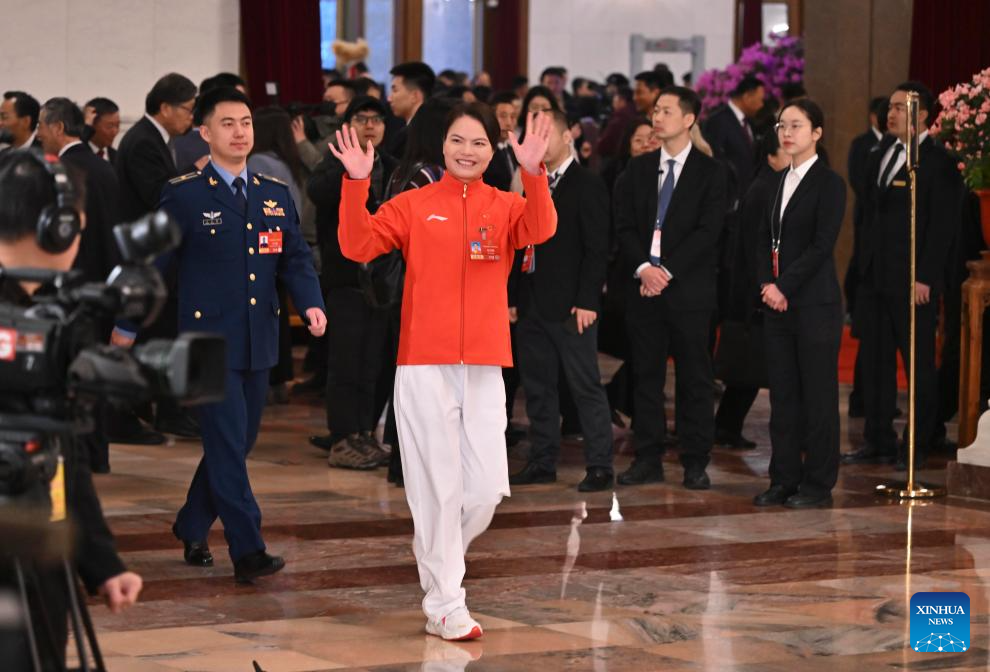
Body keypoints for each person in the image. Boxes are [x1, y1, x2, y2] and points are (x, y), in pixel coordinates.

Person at [331, 104, 556, 640]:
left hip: (485, 362)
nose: (467, 151)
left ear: (492, 149)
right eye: (458, 140)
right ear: (443, 145)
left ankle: (437, 553)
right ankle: (446, 604)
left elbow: (541, 228)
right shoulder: (414, 203)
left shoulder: (506, 206)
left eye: (478, 142)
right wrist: (356, 184)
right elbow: (357, 244)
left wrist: (533, 173)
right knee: (436, 486)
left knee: (484, 491)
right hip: (423, 362)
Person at [114, 87, 326, 582]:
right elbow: (154, 264)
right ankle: (248, 549)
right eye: (227, 124)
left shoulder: (274, 193)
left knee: (235, 444)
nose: (239, 132)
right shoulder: (184, 194)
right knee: (229, 445)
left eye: (246, 122)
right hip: (206, 344)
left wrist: (312, 302)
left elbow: (294, 257)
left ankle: (192, 523)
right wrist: (127, 323)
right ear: (205, 133)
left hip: (258, 341)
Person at [0, 150, 142, 668]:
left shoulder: (60, 319)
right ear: (63, 226)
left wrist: (101, 562)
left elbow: (66, 452)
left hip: (41, 548)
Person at [844, 81, 964, 470]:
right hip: (875, 278)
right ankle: (877, 439)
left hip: (913, 282)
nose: (891, 113)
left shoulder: (939, 162)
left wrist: (926, 276)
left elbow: (942, 227)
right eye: (891, 107)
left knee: (918, 366)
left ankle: (918, 443)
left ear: (923, 115)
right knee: (875, 362)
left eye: (900, 107)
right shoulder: (881, 152)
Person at [614, 86, 728, 489]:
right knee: (646, 376)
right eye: (656, 111)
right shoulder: (639, 170)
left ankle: (695, 459)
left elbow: (709, 232)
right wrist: (645, 268)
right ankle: (648, 456)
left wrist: (666, 271)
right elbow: (624, 226)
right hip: (644, 288)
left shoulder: (712, 172)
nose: (657, 118)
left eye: (666, 111)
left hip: (689, 291)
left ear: (688, 119)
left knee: (695, 377)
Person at [509, 110, 613, 492]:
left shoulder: (587, 184)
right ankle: (542, 460)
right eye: (530, 133)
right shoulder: (530, 182)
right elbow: (519, 244)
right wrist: (514, 296)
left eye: (545, 132)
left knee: (585, 385)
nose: (537, 140)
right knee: (537, 387)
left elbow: (598, 248)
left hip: (572, 305)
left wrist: (588, 300)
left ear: (568, 135)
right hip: (532, 301)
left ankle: (600, 465)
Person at [754, 99, 846, 509]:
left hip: (813, 305)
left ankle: (818, 484)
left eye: (796, 125)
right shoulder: (777, 181)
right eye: (782, 126)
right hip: (776, 304)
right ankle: (783, 478)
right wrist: (766, 283)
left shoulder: (830, 184)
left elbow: (821, 246)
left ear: (817, 133)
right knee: (783, 396)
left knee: (818, 397)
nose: (787, 133)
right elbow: (761, 239)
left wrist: (784, 286)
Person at [307, 96, 398, 469]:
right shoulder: (332, 163)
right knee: (345, 363)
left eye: (377, 119)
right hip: (345, 279)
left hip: (381, 282)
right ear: (347, 126)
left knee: (372, 364)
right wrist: (352, 172)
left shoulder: (393, 166)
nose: (370, 125)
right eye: (362, 119)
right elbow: (317, 194)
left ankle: (363, 433)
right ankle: (342, 438)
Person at [385, 61, 436, 158]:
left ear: (414, 96)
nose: (389, 98)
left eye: (395, 90)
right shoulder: (433, 129)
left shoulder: (414, 138)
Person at [82, 97, 121, 164]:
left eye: (117, 125)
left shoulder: (118, 158)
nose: (115, 132)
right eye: (109, 126)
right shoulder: (79, 154)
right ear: (92, 125)